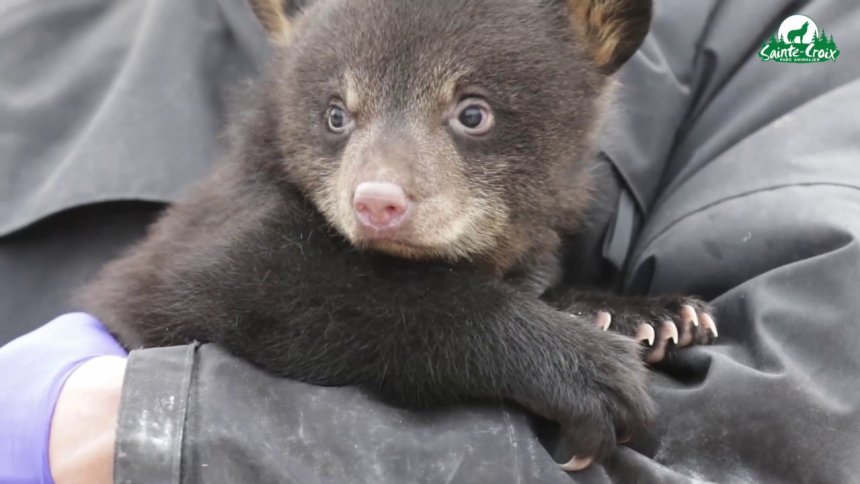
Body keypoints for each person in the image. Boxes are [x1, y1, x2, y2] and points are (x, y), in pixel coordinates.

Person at [2, 0, 860, 482]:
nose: (376, 184)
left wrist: (135, 431)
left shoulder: (781, 31)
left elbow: (792, 418)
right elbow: (258, 291)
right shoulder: (40, 38)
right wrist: (498, 337)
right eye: (342, 118)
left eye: (471, 116)